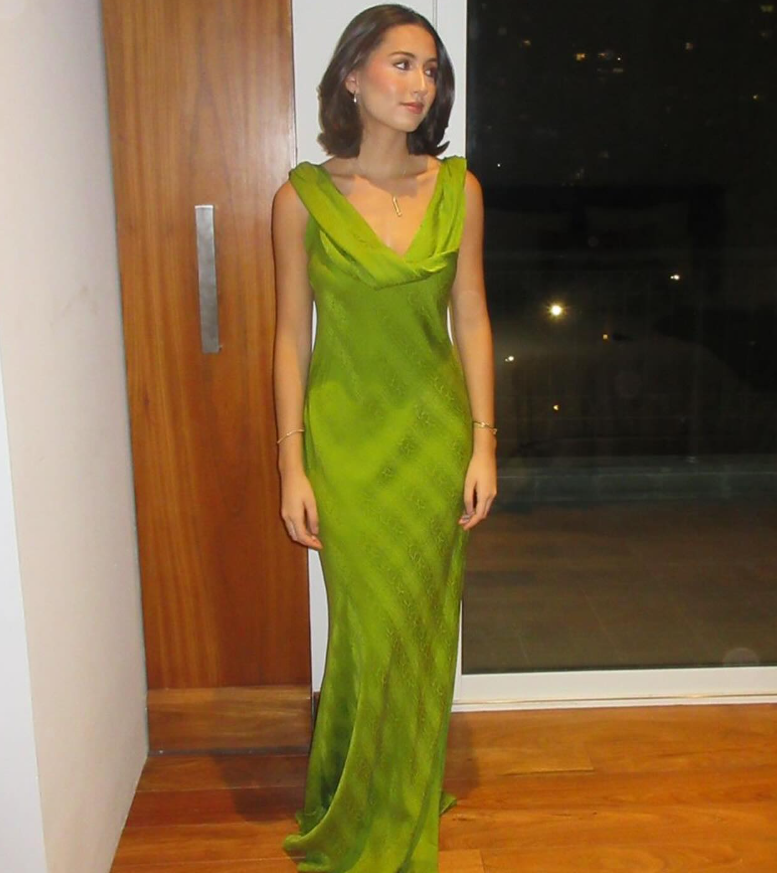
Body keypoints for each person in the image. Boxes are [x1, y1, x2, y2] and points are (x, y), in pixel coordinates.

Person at [272, 4, 496, 870]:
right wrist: (290, 463)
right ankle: (353, 794)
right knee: (368, 632)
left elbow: (471, 317)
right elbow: (290, 338)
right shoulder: (301, 199)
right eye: (401, 63)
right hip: (345, 447)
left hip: (433, 442)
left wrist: (483, 442)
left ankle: (398, 789)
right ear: (352, 74)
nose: (419, 84)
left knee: (421, 626)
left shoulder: (457, 189)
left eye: (431, 70)